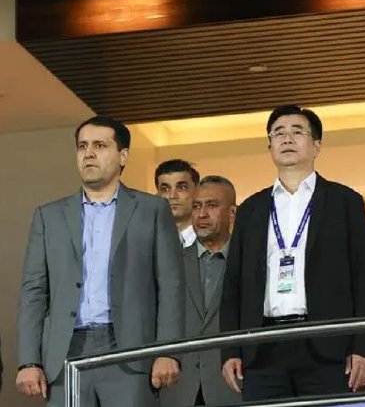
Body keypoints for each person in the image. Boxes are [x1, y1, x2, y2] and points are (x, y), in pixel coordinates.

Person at [16, 116, 185, 407]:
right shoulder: (49, 216)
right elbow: (33, 292)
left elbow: (171, 285)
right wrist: (28, 361)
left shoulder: (152, 210)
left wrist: (168, 351)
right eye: (82, 146)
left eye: (100, 145)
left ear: (123, 156)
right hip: (64, 353)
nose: (89, 153)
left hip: (130, 351)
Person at [220, 105, 365, 402]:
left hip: (328, 348)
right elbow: (233, 285)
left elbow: (363, 279)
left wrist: (363, 347)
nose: (287, 138)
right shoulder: (251, 209)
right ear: (269, 146)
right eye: (278, 133)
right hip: (262, 349)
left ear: (317, 146)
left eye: (297, 132)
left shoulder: (345, 202)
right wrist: (230, 349)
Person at [161, 176, 240, 407]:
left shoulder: (248, 262)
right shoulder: (170, 263)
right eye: (196, 206)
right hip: (179, 388)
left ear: (232, 214)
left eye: (211, 205)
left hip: (231, 386)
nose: (202, 214)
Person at [155, 159, 200, 248]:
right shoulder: (149, 242)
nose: (172, 196)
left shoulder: (212, 240)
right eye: (165, 189)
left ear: (198, 191)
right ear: (157, 195)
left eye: (182, 187)